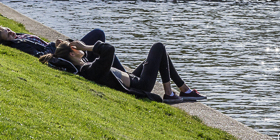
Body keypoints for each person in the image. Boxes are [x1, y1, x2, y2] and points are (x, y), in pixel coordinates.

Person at [39, 39, 206, 104]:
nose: (80, 46)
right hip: (141, 84)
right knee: (158, 47)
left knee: (160, 53)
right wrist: (86, 47)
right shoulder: (89, 70)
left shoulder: (85, 65)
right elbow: (109, 49)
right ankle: (170, 94)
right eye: (75, 47)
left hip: (133, 77)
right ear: (72, 53)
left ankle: (184, 90)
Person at [0, 26, 125, 71]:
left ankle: (123, 75)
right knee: (98, 35)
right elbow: (40, 54)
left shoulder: (18, 37)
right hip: (61, 53)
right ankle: (124, 75)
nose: (12, 33)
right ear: (6, 42)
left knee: (100, 49)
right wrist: (55, 45)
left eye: (8, 30)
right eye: (8, 35)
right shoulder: (19, 44)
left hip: (59, 47)